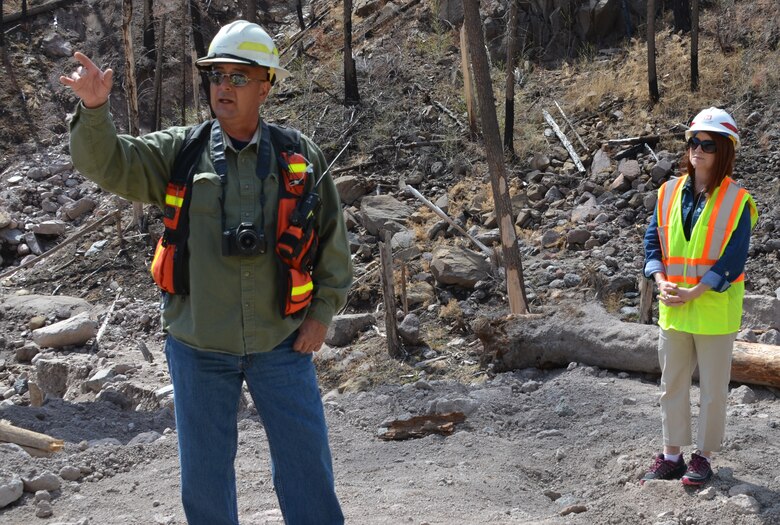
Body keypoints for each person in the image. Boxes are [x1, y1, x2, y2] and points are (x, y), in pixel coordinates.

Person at [60, 20, 352, 524]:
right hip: (197, 347)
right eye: (217, 76)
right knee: (205, 479)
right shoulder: (181, 152)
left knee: (307, 467)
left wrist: (322, 314)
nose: (224, 87)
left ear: (266, 85)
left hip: (283, 343)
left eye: (239, 78)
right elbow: (106, 161)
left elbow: (332, 244)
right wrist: (94, 109)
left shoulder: (298, 157)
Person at [640, 107, 758, 487]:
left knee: (712, 391)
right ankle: (671, 454)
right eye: (694, 142)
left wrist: (694, 291)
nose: (698, 149)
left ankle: (703, 457)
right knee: (671, 384)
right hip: (674, 308)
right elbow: (651, 243)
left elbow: (732, 259)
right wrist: (659, 279)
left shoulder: (738, 200)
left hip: (713, 312)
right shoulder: (668, 192)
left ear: (724, 150)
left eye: (708, 144)